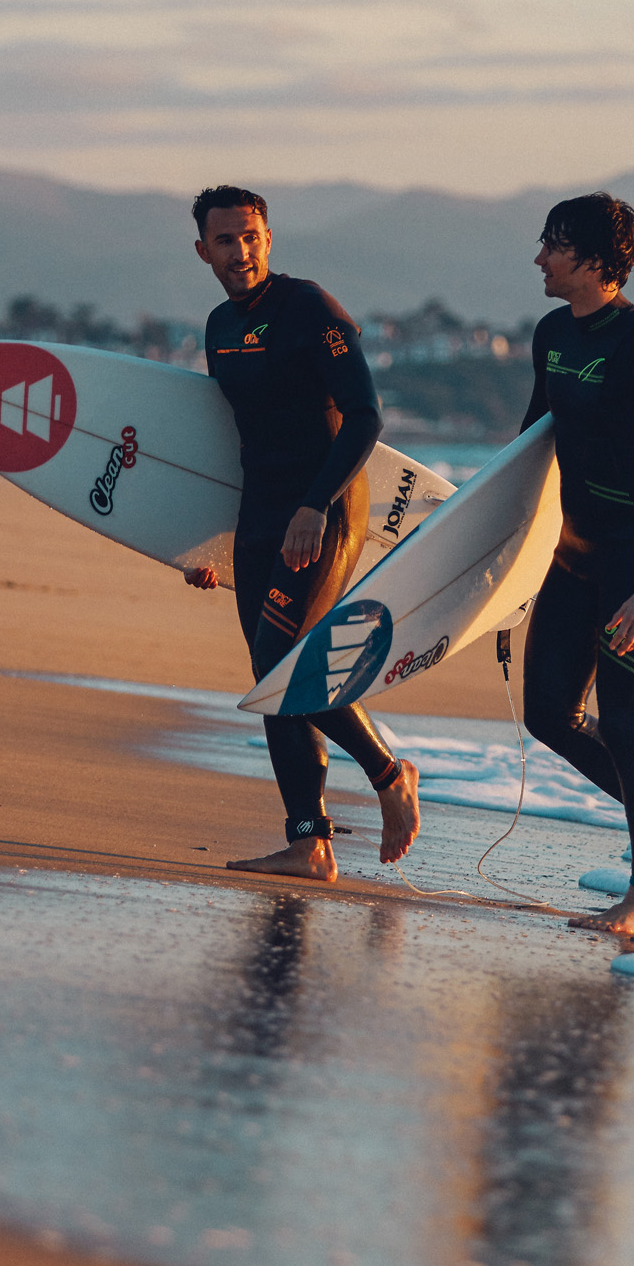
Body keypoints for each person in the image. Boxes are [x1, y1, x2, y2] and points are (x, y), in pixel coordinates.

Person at [186, 185, 423, 880]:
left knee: (287, 667)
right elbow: (229, 444)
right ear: (204, 250)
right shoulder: (219, 328)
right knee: (269, 676)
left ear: (269, 237)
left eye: (253, 235)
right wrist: (202, 548)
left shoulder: (307, 308)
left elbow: (365, 415)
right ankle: (308, 843)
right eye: (226, 240)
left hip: (322, 512)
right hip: (259, 515)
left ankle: (389, 775)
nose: (242, 251)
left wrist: (316, 506)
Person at [517, 192, 634, 936]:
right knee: (549, 716)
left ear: (597, 259)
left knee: (628, 723)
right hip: (573, 555)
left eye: (554, 245)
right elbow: (530, 446)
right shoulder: (551, 334)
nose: (540, 257)